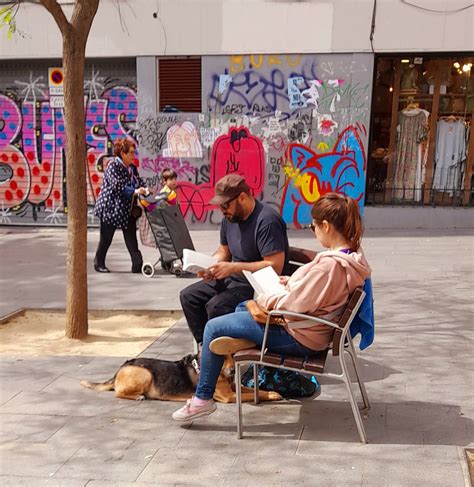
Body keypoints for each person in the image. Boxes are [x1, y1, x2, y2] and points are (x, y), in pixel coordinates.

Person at [172, 193, 372, 421]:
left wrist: (266, 297)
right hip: (312, 329)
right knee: (240, 309)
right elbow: (316, 293)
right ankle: (225, 356)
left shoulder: (329, 267)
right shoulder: (350, 258)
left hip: (300, 335)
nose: (314, 232)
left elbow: (294, 305)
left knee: (213, 328)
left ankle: (203, 398)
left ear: (325, 226)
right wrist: (293, 283)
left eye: (313, 227)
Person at [179, 174, 290, 345]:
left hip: (255, 285)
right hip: (232, 278)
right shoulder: (230, 218)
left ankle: (222, 356)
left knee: (216, 306)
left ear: (243, 198)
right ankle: (207, 348)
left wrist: (233, 268)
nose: (222, 210)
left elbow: (274, 266)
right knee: (188, 296)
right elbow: (224, 250)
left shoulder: (267, 221)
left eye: (225, 205)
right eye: (220, 206)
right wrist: (210, 265)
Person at [94, 138, 148, 273]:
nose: (133, 155)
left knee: (131, 237)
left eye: (133, 152)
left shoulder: (131, 168)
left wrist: (144, 189)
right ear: (122, 154)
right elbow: (117, 185)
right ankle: (99, 262)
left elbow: (138, 181)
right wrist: (135, 191)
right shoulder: (113, 166)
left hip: (126, 209)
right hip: (110, 208)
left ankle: (137, 264)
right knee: (106, 238)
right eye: (130, 153)